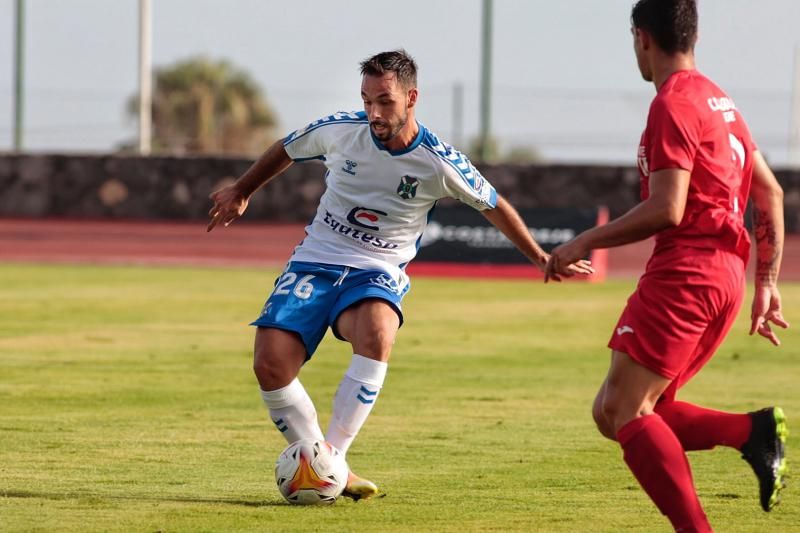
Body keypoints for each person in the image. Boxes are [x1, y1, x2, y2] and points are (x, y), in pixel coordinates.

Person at [208, 49, 593, 500]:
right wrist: (242, 189)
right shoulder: (340, 130)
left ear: (411, 98)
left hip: (377, 269)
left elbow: (492, 204)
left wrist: (540, 257)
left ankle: (333, 459)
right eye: (367, 100)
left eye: (385, 101)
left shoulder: (438, 161)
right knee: (269, 362)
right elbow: (287, 148)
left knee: (377, 331)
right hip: (316, 259)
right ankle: (329, 466)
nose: (374, 112)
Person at [545, 1, 788, 531]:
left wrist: (585, 240)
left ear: (642, 38)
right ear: (692, 35)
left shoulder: (673, 102)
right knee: (615, 410)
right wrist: (766, 283)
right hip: (723, 275)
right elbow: (769, 191)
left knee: (627, 410)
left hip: (688, 272)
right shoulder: (719, 101)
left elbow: (667, 208)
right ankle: (752, 433)